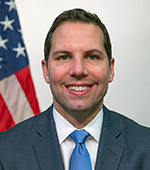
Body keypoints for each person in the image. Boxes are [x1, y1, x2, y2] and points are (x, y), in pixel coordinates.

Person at [0, 8, 150, 170]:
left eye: (92, 56)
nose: (78, 70)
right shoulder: (5, 151)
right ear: (46, 71)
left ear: (110, 69)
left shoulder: (146, 146)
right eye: (64, 57)